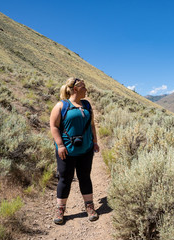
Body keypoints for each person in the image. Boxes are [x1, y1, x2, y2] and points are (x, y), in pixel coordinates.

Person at [50, 77, 100, 224]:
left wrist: (95, 142)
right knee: (65, 179)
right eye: (84, 87)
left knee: (85, 177)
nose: (86, 90)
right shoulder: (61, 106)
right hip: (66, 151)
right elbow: (53, 126)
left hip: (86, 149)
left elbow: (91, 125)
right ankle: (60, 210)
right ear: (76, 89)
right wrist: (60, 145)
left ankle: (89, 207)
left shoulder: (86, 105)